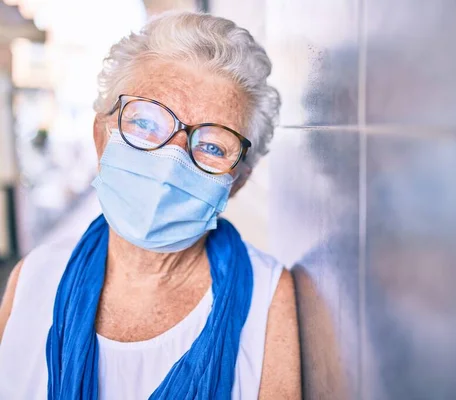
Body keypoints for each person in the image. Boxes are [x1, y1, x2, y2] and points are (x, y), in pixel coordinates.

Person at [0, 11, 300, 400]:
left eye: (211, 146)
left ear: (237, 181)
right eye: (145, 123)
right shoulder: (34, 278)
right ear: (100, 137)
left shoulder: (269, 298)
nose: (171, 160)